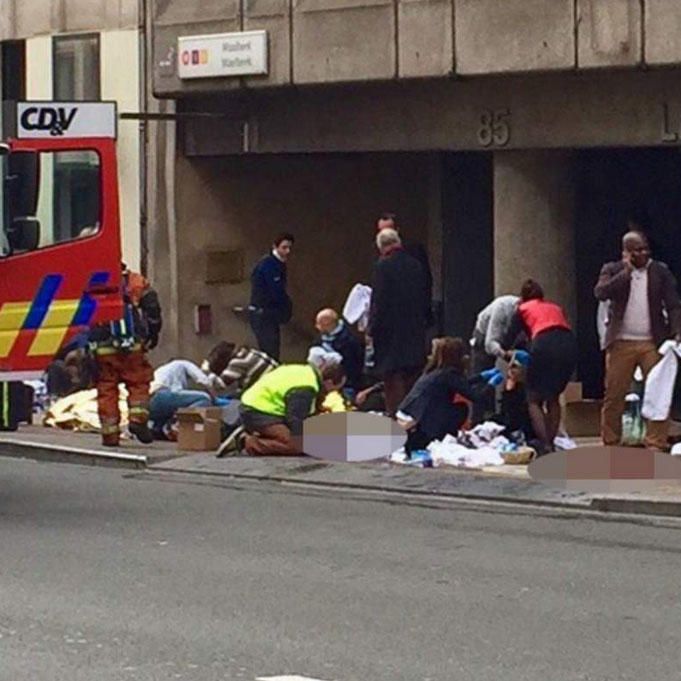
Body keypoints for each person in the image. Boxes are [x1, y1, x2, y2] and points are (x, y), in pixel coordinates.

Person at [594, 230, 681, 451]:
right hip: (620, 342)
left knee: (658, 393)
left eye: (645, 249)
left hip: (652, 341)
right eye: (637, 250)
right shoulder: (612, 269)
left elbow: (673, 304)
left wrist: (677, 331)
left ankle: (655, 442)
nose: (643, 253)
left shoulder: (660, 271)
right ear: (626, 252)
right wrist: (626, 272)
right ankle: (611, 442)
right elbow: (601, 292)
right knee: (614, 394)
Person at [89, 264, 162, 447]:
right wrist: (153, 333)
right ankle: (138, 419)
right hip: (131, 343)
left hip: (102, 344)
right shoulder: (133, 281)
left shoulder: (89, 280)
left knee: (107, 387)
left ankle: (110, 434)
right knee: (138, 382)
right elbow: (152, 306)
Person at [507, 279, 577, 456]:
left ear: (523, 296)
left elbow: (510, 336)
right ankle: (552, 442)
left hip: (543, 344)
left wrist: (508, 351)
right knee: (553, 396)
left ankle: (545, 444)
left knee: (533, 398)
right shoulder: (555, 307)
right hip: (568, 344)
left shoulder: (522, 309)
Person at [396, 337, 493, 455]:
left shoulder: (434, 372)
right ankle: (440, 436)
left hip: (409, 414)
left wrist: (481, 377)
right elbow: (476, 397)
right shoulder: (449, 374)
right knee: (460, 408)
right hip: (422, 423)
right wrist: (491, 385)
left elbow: (461, 384)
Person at [369, 228, 428, 416]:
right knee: (413, 378)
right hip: (414, 331)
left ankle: (395, 421)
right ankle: (413, 418)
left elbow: (379, 301)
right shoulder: (416, 265)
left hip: (390, 335)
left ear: (382, 247)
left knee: (393, 382)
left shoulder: (383, 267)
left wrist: (372, 329)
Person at [235, 362, 346, 456]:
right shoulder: (306, 387)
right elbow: (295, 419)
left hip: (257, 405)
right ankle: (249, 443)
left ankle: (262, 434)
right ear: (330, 382)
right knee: (296, 446)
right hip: (259, 411)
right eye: (335, 389)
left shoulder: (306, 372)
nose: (332, 392)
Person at [469, 294, 520, 424]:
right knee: (482, 381)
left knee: (516, 379)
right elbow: (489, 344)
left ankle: (512, 417)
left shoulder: (526, 314)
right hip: (484, 338)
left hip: (509, 337)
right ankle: (477, 420)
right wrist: (506, 355)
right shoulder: (502, 308)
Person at [376, 213, 433, 326]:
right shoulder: (378, 256)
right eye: (381, 231)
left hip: (412, 314)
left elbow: (426, 282)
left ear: (397, 230)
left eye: (389, 230)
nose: (385, 235)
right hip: (388, 318)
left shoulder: (414, 253)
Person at [249, 233, 294, 361]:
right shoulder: (268, 265)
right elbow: (275, 291)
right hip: (264, 314)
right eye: (284, 248)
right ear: (276, 246)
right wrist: (286, 307)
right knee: (270, 351)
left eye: (289, 248)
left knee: (272, 348)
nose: (287, 251)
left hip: (268, 314)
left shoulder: (276, 264)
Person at [149, 359, 217, 439]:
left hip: (149, 404)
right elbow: (204, 380)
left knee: (173, 407)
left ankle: (157, 429)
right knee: (204, 398)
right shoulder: (182, 363)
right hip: (162, 395)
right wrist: (214, 399)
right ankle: (177, 424)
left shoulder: (161, 370)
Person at [313, 308, 364, 393]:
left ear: (329, 324)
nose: (317, 327)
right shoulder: (321, 337)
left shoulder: (348, 341)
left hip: (346, 384)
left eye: (320, 324)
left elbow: (353, 366)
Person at [203, 341, 278, 397]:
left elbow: (220, 385)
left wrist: (207, 371)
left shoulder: (237, 362)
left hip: (267, 390)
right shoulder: (251, 352)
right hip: (275, 383)